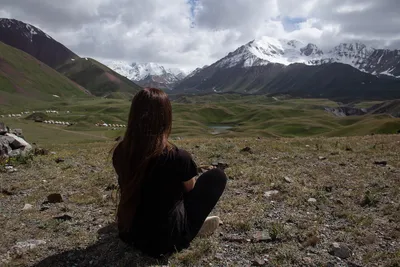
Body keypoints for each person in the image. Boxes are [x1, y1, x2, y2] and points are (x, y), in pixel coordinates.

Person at [112, 88, 227, 257]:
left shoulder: (120, 152)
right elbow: (190, 190)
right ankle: (191, 228)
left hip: (128, 234)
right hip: (167, 241)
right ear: (165, 117)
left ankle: (183, 225)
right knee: (217, 176)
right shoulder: (178, 157)